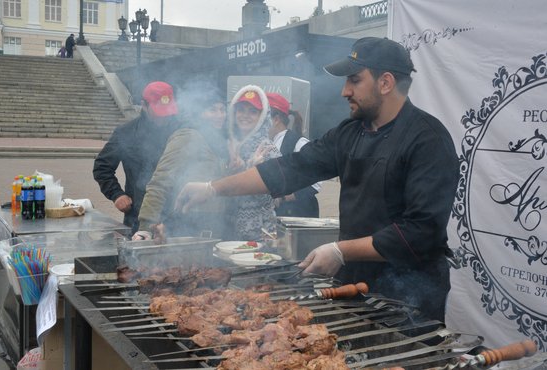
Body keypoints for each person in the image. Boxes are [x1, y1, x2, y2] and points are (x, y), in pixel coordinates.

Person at [177, 37, 459, 322]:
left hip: (409, 290)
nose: (344, 91)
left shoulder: (428, 140)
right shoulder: (350, 132)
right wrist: (213, 189)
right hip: (352, 279)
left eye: (354, 80)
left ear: (385, 82)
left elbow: (420, 233)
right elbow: (289, 169)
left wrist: (340, 250)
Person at [132, 83, 229, 241]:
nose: (219, 115)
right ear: (199, 113)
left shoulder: (218, 141)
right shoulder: (188, 135)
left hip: (214, 224)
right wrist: (145, 227)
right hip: (189, 224)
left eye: (222, 109)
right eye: (212, 109)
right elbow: (160, 181)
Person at [93, 81, 180, 235]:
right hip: (137, 217)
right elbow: (102, 167)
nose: (164, 118)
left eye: (168, 111)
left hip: (175, 217)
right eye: (159, 111)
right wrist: (116, 194)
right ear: (144, 106)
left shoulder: (181, 132)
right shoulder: (126, 133)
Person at [226, 85, 280, 241]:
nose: (245, 115)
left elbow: (272, 199)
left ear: (262, 116)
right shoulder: (230, 144)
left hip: (259, 235)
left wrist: (254, 171)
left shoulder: (268, 148)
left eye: (252, 111)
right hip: (230, 232)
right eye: (241, 110)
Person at [266, 92, 320, 218]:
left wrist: (284, 197)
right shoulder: (266, 142)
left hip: (298, 214)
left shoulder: (298, 143)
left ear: (276, 119)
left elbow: (317, 181)